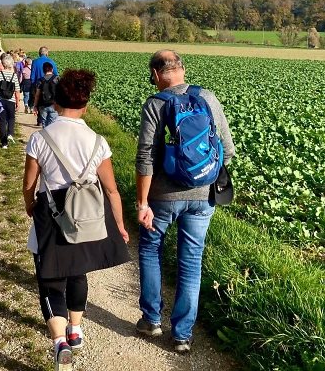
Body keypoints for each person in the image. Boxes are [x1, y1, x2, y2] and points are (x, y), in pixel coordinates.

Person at [23, 69, 131, 371]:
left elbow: (29, 184)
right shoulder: (97, 140)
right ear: (85, 105)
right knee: (78, 272)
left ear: (55, 103)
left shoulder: (40, 138)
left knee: (50, 280)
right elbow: (112, 190)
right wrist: (119, 226)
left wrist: (30, 205)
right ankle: (75, 330)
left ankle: (60, 342)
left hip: (52, 215)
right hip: (88, 216)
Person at [135, 50, 235, 353]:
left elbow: (146, 157)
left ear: (155, 75)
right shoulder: (207, 97)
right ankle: (182, 335)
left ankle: (151, 320)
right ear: (183, 69)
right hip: (203, 197)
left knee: (151, 249)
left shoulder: (155, 104)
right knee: (191, 261)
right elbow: (228, 149)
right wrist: (203, 176)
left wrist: (142, 202)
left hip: (162, 197)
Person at [0, 54, 21, 149]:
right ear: (11, 64)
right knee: (11, 118)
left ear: (3, 64)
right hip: (11, 100)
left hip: (0, 101)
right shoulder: (14, 76)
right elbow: (17, 91)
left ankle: (4, 143)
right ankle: (10, 134)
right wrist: (18, 102)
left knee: (1, 121)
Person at [33, 62, 59, 127]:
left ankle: (45, 133)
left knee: (44, 123)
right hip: (54, 104)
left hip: (42, 105)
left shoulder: (40, 80)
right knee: (53, 124)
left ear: (43, 70)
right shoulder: (57, 79)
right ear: (52, 69)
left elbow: (37, 95)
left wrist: (35, 106)